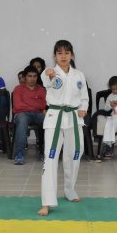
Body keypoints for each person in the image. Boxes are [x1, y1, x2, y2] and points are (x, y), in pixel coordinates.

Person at [38, 40, 88, 216]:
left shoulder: (79, 75)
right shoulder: (50, 73)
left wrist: (83, 108)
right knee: (50, 158)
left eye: (67, 53)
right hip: (55, 118)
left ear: (72, 55)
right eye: (60, 53)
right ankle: (47, 202)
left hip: (74, 118)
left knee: (75, 153)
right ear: (54, 56)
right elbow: (46, 81)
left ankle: (70, 190)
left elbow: (84, 96)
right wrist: (50, 75)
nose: (64, 56)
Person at [12, 65, 46, 165]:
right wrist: (35, 103)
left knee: (49, 121)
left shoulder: (41, 90)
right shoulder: (18, 89)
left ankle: (45, 153)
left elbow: (43, 105)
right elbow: (18, 106)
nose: (32, 79)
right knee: (22, 121)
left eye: (34, 76)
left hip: (37, 114)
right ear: (24, 77)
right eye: (29, 76)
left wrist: (27, 103)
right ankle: (19, 155)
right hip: (21, 114)